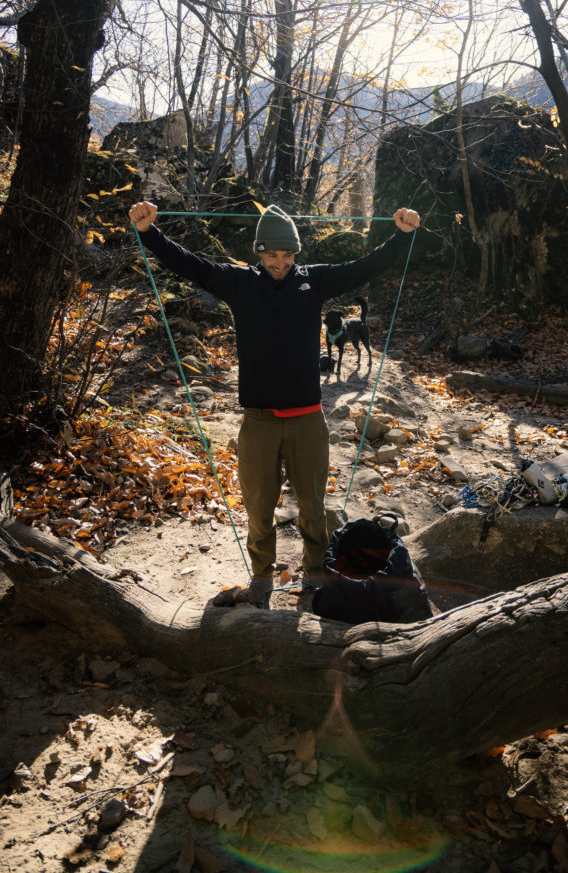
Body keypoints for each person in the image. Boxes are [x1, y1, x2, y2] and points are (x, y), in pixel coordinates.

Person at [129, 199, 420, 608]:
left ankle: (316, 581)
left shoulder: (315, 281)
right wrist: (149, 232)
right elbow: (190, 265)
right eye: (270, 255)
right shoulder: (239, 282)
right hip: (259, 421)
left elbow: (365, 267)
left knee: (313, 509)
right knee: (258, 508)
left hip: (308, 421)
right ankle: (261, 580)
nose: (279, 263)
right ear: (259, 252)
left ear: (296, 254)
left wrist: (402, 235)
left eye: (286, 255)